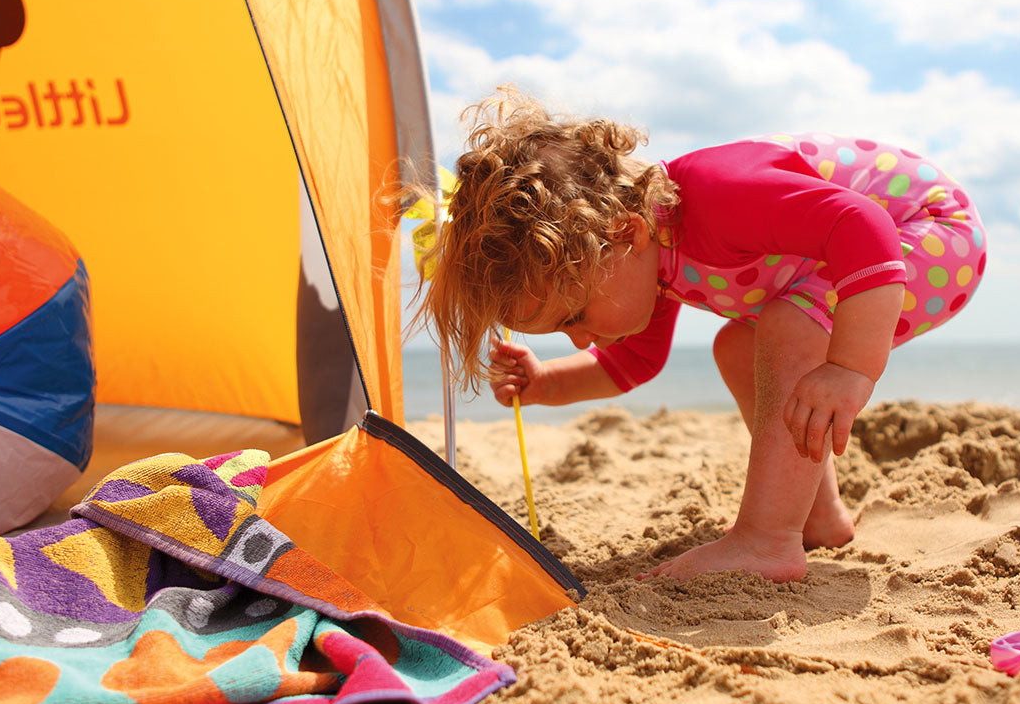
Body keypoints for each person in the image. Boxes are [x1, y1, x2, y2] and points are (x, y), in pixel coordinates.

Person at [410, 86, 987, 582]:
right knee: (736, 345)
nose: (582, 340)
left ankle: (767, 539)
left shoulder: (715, 198)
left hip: (931, 232)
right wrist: (544, 384)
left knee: (789, 325)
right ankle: (817, 516)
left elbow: (862, 223)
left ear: (624, 233)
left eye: (574, 316)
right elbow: (630, 365)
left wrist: (850, 369)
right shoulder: (643, 263)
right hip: (864, 254)